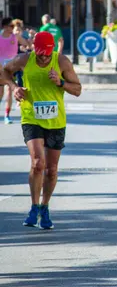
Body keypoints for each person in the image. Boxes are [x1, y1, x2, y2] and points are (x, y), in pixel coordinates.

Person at [1, 31, 82, 229]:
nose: (44, 58)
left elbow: (78, 89)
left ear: (52, 49)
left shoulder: (61, 62)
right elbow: (4, 71)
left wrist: (60, 82)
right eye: (40, 54)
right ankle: (34, 206)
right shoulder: (23, 60)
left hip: (55, 121)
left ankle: (45, 206)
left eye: (47, 54)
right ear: (34, 49)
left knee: (51, 170)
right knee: (38, 163)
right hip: (31, 117)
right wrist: (13, 86)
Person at [0, 17, 30, 124]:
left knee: (10, 90)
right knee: (1, 92)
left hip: (11, 67)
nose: (13, 28)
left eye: (13, 26)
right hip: (0, 67)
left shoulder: (15, 36)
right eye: (11, 26)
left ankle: (7, 115)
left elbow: (27, 44)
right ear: (4, 27)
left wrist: (26, 46)